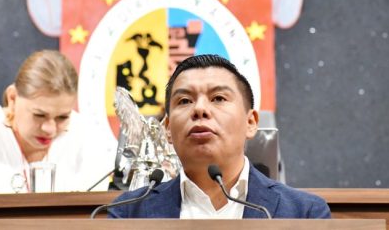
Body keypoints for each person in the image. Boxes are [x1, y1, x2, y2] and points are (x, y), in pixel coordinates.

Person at [108, 54, 330, 219]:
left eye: (218, 98)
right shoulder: (128, 212)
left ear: (250, 122)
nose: (200, 109)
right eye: (185, 101)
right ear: (167, 129)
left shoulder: (304, 212)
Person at [0, 50, 116, 195]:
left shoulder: (88, 139)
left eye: (62, 117)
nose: (50, 129)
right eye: (39, 115)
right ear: (12, 98)